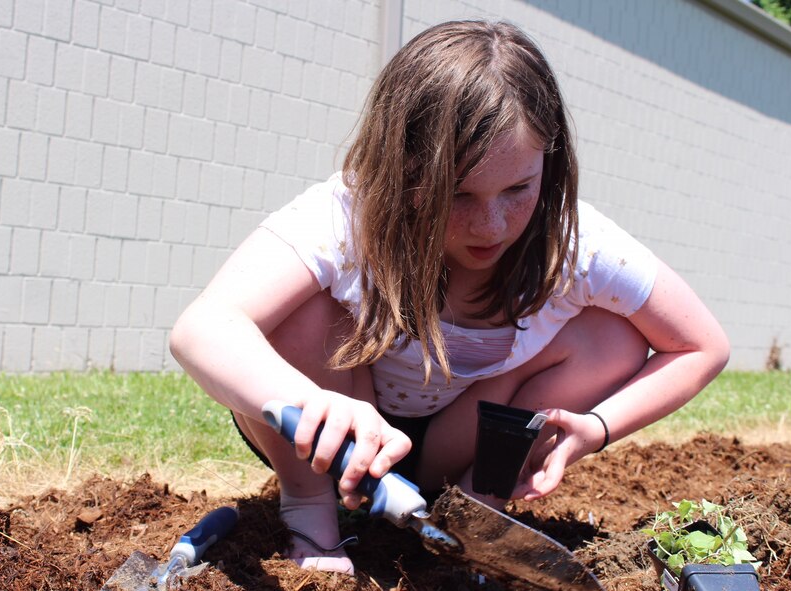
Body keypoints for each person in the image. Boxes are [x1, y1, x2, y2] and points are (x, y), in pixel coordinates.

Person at [170, 20, 730, 574]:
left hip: (455, 443)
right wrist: (310, 401)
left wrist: (599, 427)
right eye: (457, 194)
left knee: (613, 337)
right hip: (330, 434)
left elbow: (702, 347)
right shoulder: (346, 219)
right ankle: (311, 510)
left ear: (549, 163)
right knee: (298, 311)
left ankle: (474, 510)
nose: (491, 225)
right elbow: (202, 329)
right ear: (400, 168)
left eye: (518, 189)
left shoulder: (574, 244)